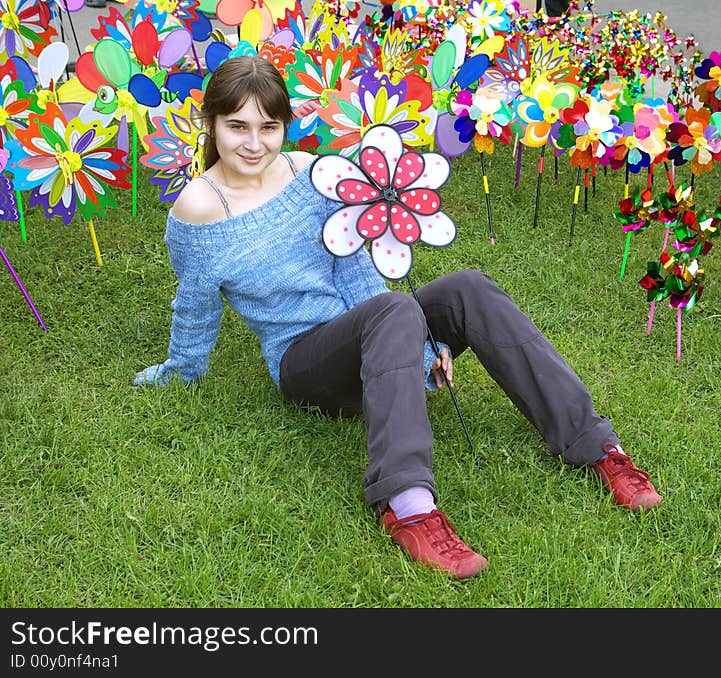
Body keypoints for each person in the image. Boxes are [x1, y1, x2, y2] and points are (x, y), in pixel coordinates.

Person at [135, 55, 662, 580]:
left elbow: (354, 267)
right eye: (237, 127)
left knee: (466, 288)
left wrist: (419, 344)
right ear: (213, 124)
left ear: (284, 126)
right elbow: (195, 304)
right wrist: (181, 369)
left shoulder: (307, 173)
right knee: (392, 310)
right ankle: (408, 506)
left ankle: (598, 447)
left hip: (373, 331)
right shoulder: (200, 207)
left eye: (268, 127)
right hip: (305, 365)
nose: (254, 143)